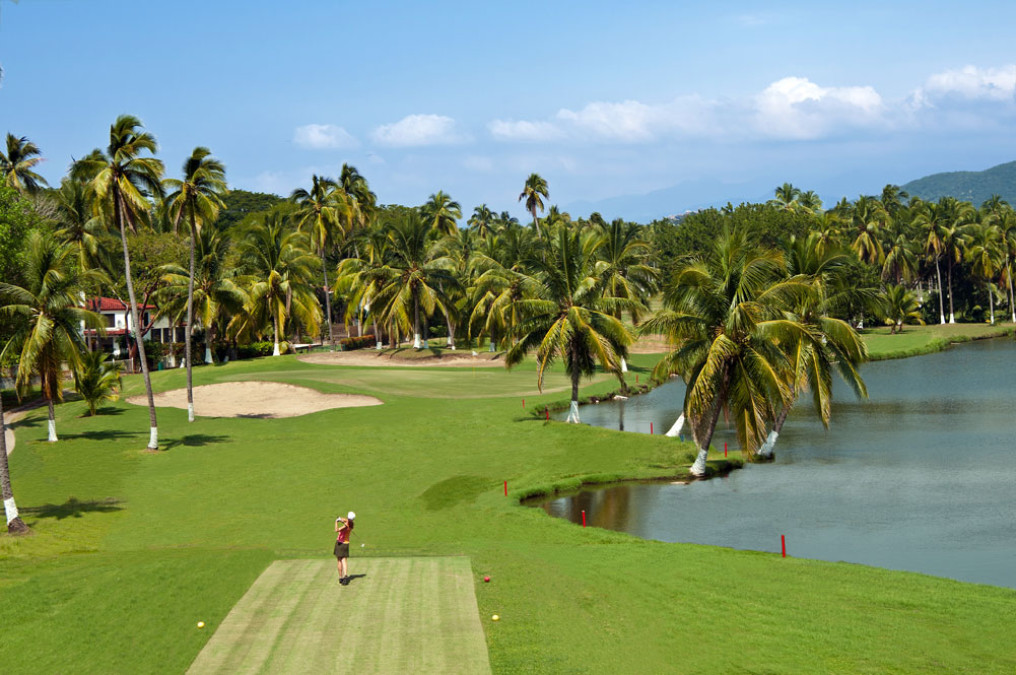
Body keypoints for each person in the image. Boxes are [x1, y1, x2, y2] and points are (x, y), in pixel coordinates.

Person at [334, 511, 355, 585]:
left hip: (340, 543)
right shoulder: (351, 524)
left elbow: (336, 530)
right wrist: (340, 519)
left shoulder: (345, 525)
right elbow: (346, 520)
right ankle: (345, 575)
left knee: (339, 560)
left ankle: (341, 578)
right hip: (346, 543)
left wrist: (336, 522)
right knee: (344, 560)